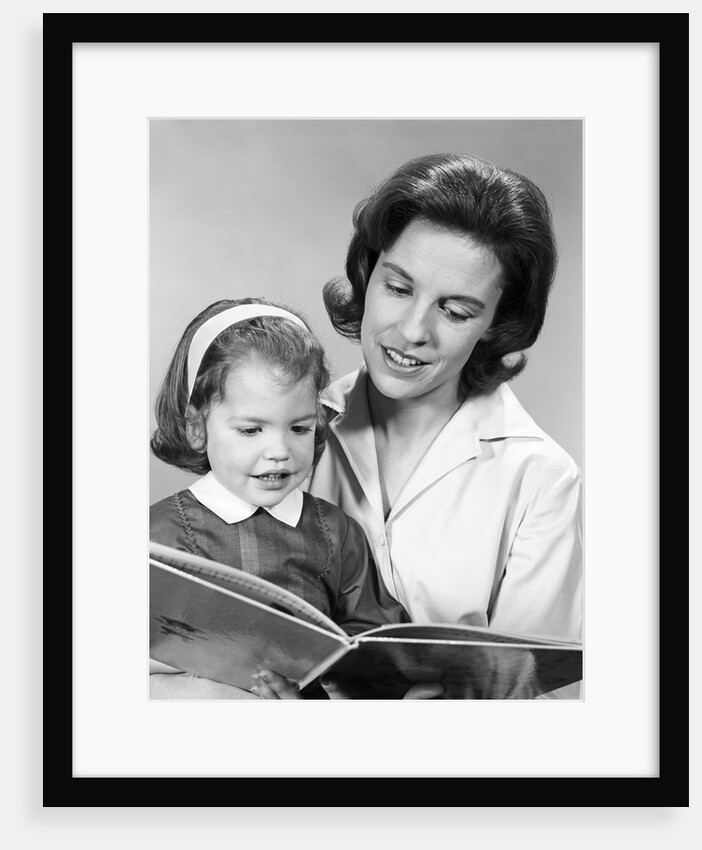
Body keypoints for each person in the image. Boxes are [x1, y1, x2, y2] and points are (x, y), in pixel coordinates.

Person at [260, 152, 582, 700]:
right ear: (368, 271)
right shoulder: (287, 432)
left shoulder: (539, 479)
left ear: (495, 325)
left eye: (455, 312)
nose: (412, 331)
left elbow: (536, 707)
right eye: (399, 287)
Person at [148, 297, 421, 699]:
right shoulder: (159, 533)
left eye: (298, 428)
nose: (279, 451)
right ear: (197, 428)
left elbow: (376, 640)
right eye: (250, 430)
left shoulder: (337, 532)